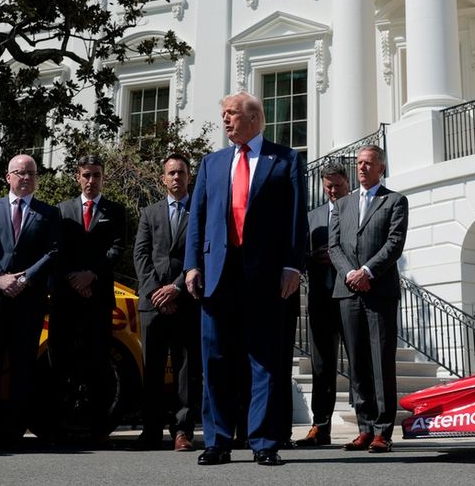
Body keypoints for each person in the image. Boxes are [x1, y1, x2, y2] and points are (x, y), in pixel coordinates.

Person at [184, 92, 308, 467]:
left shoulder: (285, 159)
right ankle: (218, 441)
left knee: (264, 362)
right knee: (216, 360)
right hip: (218, 276)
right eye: (223, 114)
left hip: (265, 276)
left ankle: (264, 442)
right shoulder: (212, 162)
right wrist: (192, 265)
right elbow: (198, 218)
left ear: (254, 118)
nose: (225, 120)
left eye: (232, 114)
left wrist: (293, 266)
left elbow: (296, 218)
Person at [0, 154, 60, 446]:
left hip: (28, 303)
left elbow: (54, 252)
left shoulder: (49, 214)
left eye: (31, 173)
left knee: (23, 369)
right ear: (8, 177)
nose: (26, 178)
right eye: (20, 172)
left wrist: (25, 278)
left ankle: (14, 431)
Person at [328, 146, 407, 454]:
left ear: (381, 168)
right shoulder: (342, 204)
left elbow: (394, 243)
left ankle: (383, 431)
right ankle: (364, 428)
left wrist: (367, 271)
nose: (361, 167)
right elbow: (334, 246)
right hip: (348, 291)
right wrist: (351, 274)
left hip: (379, 292)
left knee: (380, 362)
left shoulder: (395, 201)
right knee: (357, 362)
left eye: (368, 163)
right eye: (359, 163)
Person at [52, 154, 127, 441]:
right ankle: (58, 427)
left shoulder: (115, 211)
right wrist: (75, 277)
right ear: (77, 177)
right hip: (66, 299)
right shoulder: (61, 210)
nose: (91, 181)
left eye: (96, 175)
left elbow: (117, 248)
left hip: (97, 299)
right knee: (62, 363)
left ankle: (97, 429)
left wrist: (91, 276)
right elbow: (56, 250)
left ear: (102, 177)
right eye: (86, 175)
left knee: (98, 364)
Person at [133, 153, 201, 452]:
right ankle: (150, 430)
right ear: (163, 179)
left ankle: (182, 431)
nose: (176, 177)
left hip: (186, 302)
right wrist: (156, 294)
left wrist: (176, 289)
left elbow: (202, 254)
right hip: (153, 305)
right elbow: (141, 256)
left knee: (187, 370)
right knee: (153, 368)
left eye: (181, 172)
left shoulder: (200, 213)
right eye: (171, 173)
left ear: (189, 177)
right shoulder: (150, 214)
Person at [294, 163, 350, 448]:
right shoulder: (312, 217)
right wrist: (312, 257)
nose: (332, 190)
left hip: (352, 298)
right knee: (321, 366)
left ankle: (369, 427)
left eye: (337, 185)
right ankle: (320, 427)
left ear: (347, 183)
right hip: (320, 300)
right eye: (328, 186)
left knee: (360, 363)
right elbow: (299, 255)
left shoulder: (357, 211)